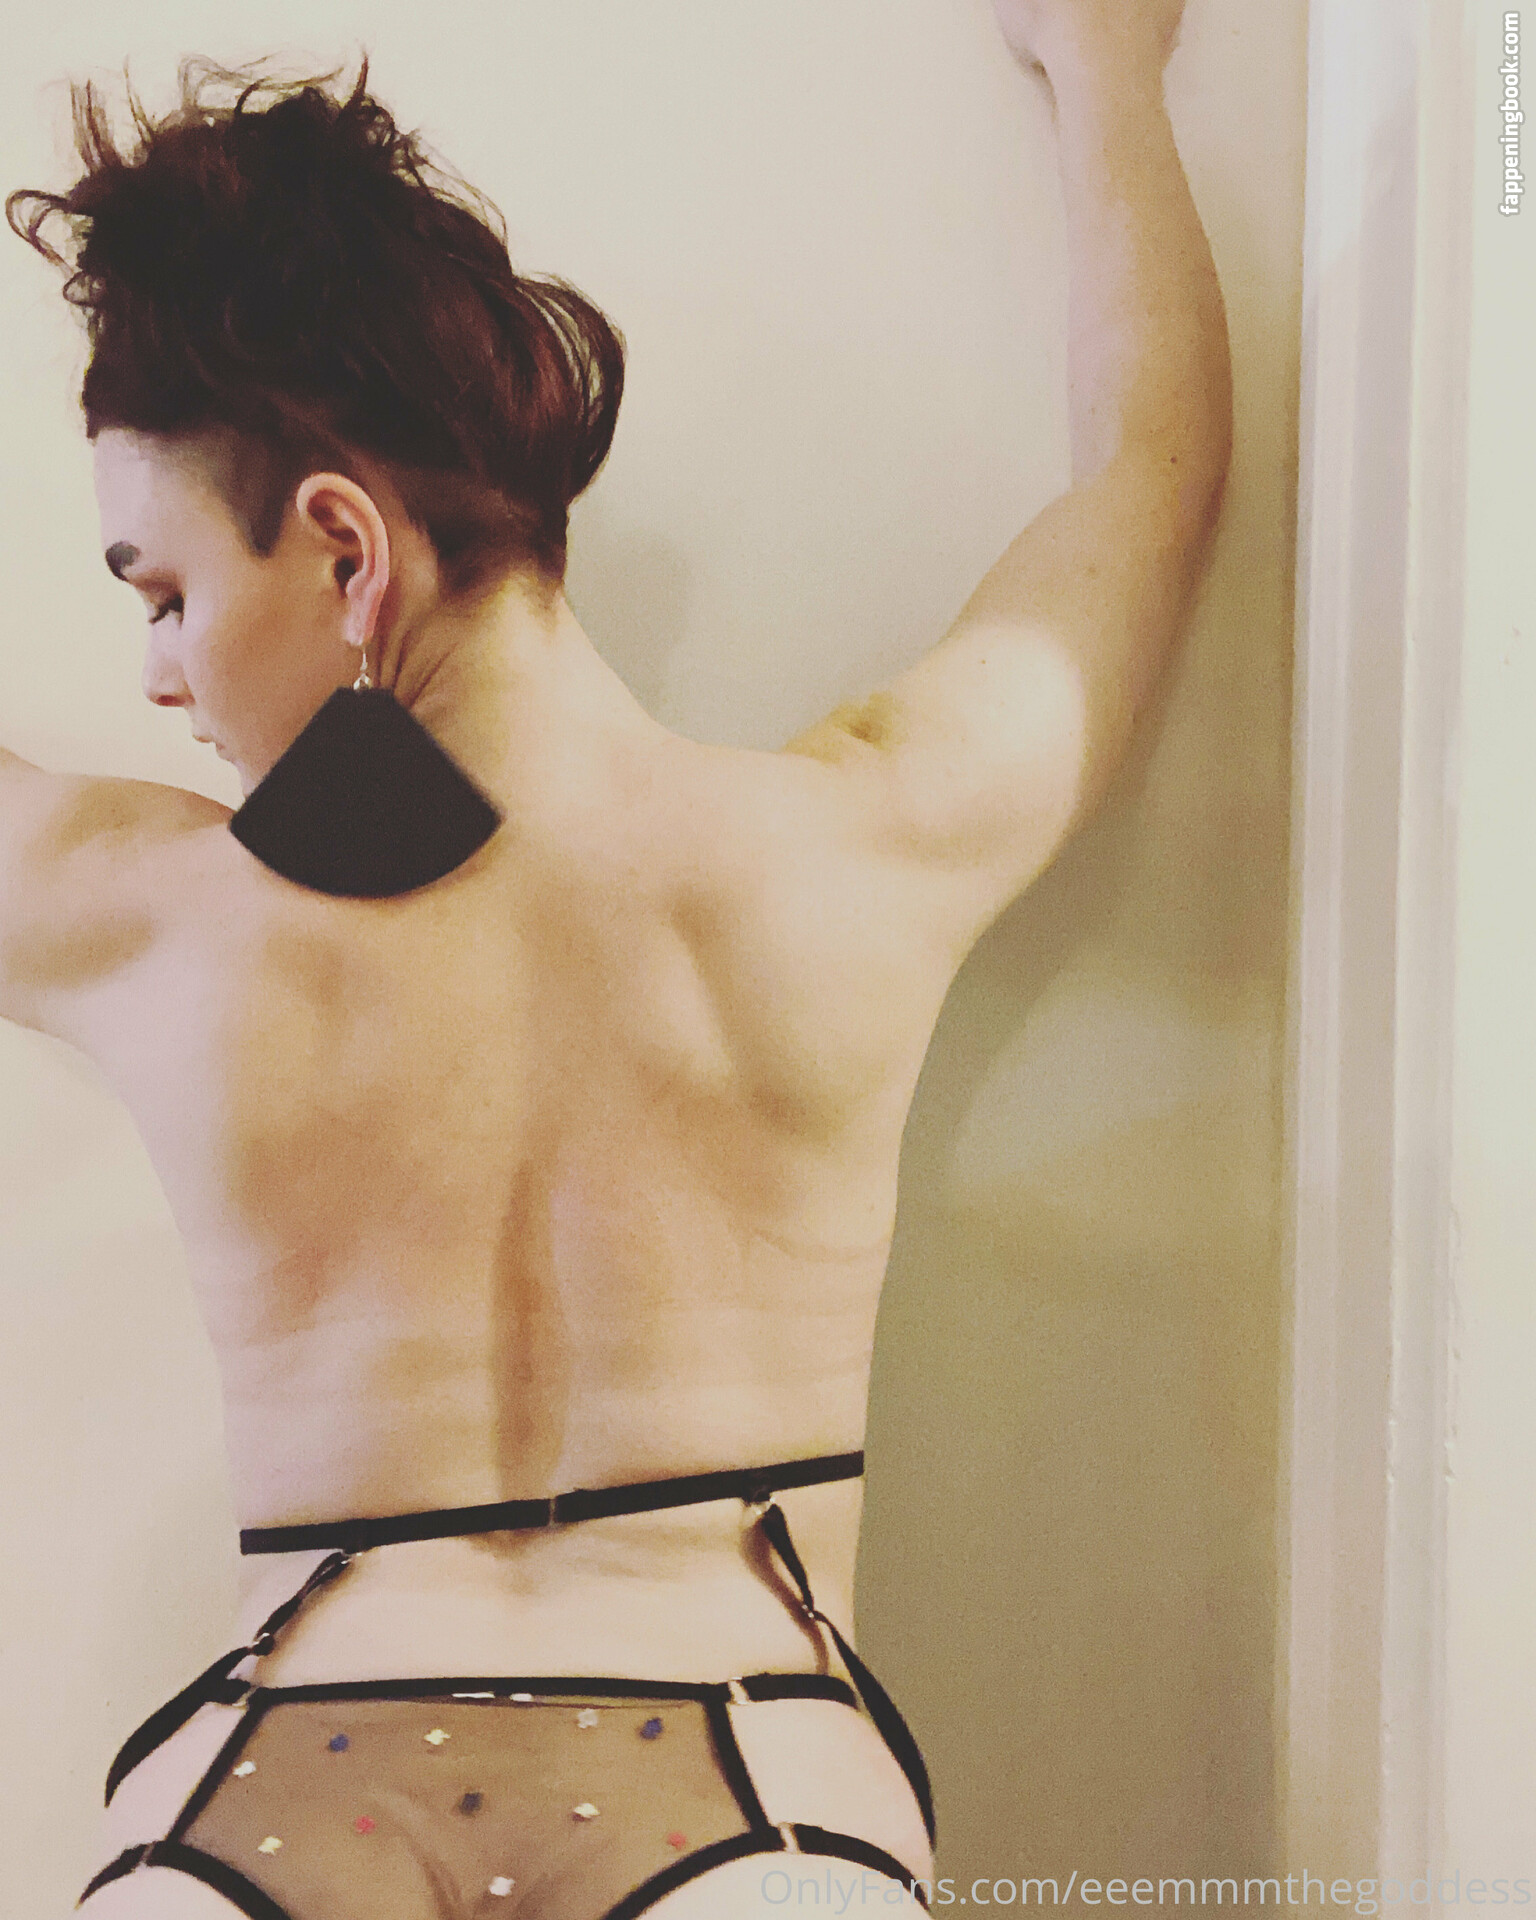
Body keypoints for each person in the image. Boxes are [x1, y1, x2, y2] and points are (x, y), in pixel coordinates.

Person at [1, 1, 1230, 1914]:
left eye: (164, 591)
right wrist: (1106, 73)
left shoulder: (148, 920)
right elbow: (1147, 478)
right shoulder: (855, 848)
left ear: (343, 552)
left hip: (279, 1773)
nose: (158, 675)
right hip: (753, 1770)